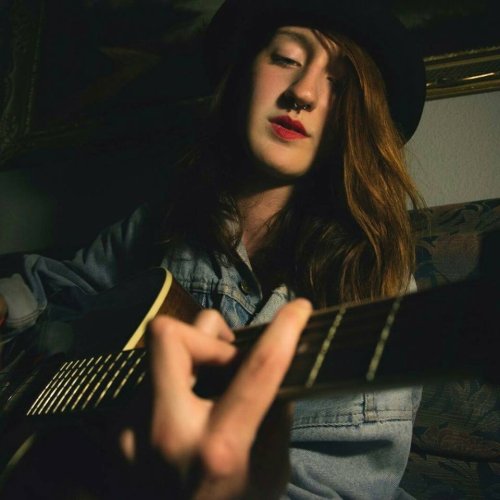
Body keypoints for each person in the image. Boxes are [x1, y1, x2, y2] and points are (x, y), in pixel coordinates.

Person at [0, 0, 427, 497]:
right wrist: (10, 302)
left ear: (359, 117)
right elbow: (65, 291)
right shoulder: (167, 217)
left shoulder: (376, 279)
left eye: (339, 83)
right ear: (243, 74)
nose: (303, 92)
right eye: (286, 58)